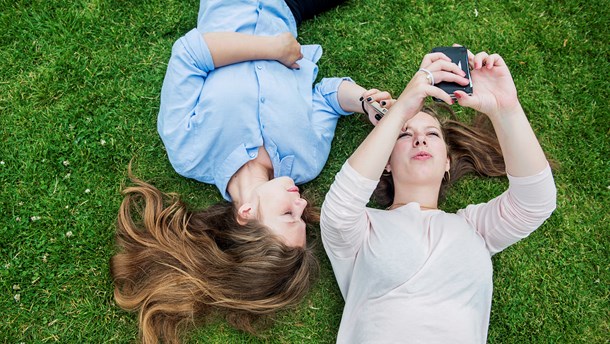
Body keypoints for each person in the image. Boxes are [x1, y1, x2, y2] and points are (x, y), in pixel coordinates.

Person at [109, 0, 387, 343]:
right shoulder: (306, 162)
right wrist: (363, 102)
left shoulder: (190, 152)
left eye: (289, 215)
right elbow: (328, 98)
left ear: (246, 213)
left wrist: (273, 49)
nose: (302, 205)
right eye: (302, 217)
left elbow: (190, 54)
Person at [320, 48, 557, 343]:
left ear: (447, 161)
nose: (419, 138)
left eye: (432, 134)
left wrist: (505, 108)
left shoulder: (475, 228)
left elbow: (536, 201)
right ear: (386, 163)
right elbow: (340, 208)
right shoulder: (362, 229)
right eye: (405, 135)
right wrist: (400, 110)